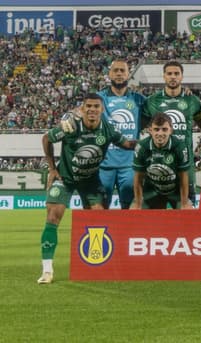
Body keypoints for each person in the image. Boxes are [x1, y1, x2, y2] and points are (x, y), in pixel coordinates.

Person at [38, 93, 136, 284]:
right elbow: (46, 139)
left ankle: (94, 266)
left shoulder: (108, 129)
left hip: (91, 181)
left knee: (98, 220)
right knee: (53, 216)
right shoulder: (71, 126)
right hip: (65, 178)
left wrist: (150, 142)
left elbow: (127, 144)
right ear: (82, 108)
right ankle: (47, 270)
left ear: (102, 109)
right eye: (88, 106)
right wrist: (52, 168)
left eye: (96, 106)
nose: (92, 109)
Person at [141, 61, 201, 206]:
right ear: (163, 76)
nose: (173, 76)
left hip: (185, 163)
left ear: (182, 76)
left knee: (186, 208)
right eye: (169, 73)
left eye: (176, 73)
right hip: (158, 162)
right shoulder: (152, 101)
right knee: (154, 210)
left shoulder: (192, 100)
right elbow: (140, 125)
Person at [98, 59, 146, 209]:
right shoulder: (99, 99)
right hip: (104, 164)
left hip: (130, 165)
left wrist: (183, 94)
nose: (119, 74)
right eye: (116, 70)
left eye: (122, 71)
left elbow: (159, 114)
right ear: (109, 74)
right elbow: (81, 112)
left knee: (130, 209)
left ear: (128, 74)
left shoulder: (139, 100)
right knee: (99, 208)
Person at [130, 112, 192, 210]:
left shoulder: (180, 147)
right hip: (151, 190)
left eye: (164, 129)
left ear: (171, 130)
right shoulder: (142, 147)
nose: (160, 133)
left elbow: (183, 177)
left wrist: (184, 203)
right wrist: (138, 203)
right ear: (150, 130)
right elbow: (138, 179)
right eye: (156, 129)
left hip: (175, 191)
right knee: (134, 211)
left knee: (187, 211)